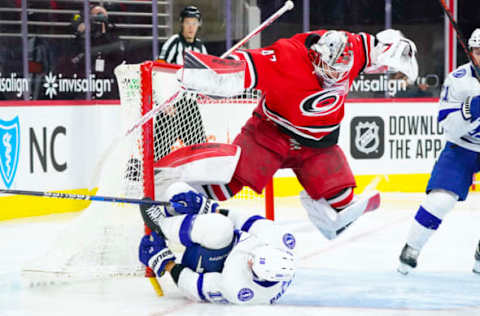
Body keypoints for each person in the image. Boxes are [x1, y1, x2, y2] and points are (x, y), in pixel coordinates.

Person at [190, 29, 418, 240]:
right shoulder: (287, 57)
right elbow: (243, 66)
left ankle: (317, 202)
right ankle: (179, 198)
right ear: (317, 58)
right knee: (226, 186)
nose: (336, 77)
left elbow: (383, 45)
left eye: (342, 71)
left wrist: (402, 50)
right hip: (271, 133)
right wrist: (202, 74)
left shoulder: (355, 49)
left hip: (318, 144)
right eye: (331, 70)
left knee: (343, 199)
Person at [397, 29, 480, 275]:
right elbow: (447, 127)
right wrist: (471, 108)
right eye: (478, 52)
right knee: (440, 199)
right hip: (462, 146)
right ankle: (411, 249)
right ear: (470, 52)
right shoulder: (458, 79)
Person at [138, 182, 296, 304]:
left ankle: (161, 225)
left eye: (252, 266)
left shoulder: (240, 290)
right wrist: (210, 209)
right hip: (218, 239)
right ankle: (171, 219)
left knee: (221, 229)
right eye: (255, 256)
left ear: (260, 278)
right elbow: (244, 221)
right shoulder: (280, 239)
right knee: (177, 189)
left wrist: (166, 263)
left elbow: (196, 286)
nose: (250, 259)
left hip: (207, 265)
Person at [154, 5, 207, 160]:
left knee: (199, 149)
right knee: (160, 151)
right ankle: (153, 181)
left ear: (199, 24)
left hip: (190, 106)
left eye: (194, 22)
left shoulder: (201, 48)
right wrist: (163, 102)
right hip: (171, 105)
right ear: (182, 24)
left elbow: (204, 78)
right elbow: (157, 73)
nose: (191, 27)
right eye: (187, 22)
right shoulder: (172, 44)